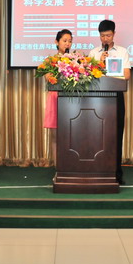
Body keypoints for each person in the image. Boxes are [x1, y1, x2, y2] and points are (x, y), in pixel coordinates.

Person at [89, 20, 131, 184]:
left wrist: (113, 73)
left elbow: (126, 75)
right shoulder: (93, 53)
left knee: (116, 135)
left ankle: (116, 173)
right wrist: (99, 62)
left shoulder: (122, 51)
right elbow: (87, 76)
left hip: (115, 97)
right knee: (96, 134)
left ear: (114, 34)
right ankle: (96, 170)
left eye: (108, 35)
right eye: (102, 36)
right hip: (96, 99)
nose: (105, 39)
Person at [43, 29, 73, 166]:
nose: (67, 44)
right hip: (55, 98)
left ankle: (70, 165)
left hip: (70, 99)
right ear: (57, 42)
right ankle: (58, 167)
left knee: (70, 135)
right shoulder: (50, 60)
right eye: (64, 41)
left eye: (70, 41)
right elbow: (48, 78)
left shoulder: (75, 60)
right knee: (55, 136)